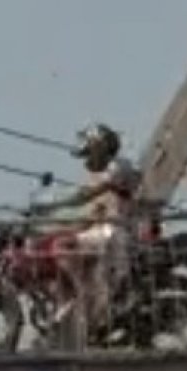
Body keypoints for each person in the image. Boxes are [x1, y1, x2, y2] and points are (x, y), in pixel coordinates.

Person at [31, 122, 141, 345]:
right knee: (57, 240)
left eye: (90, 151)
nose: (87, 159)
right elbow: (90, 217)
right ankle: (75, 302)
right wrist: (55, 226)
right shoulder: (104, 174)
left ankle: (84, 293)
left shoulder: (117, 168)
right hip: (103, 231)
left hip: (114, 234)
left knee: (62, 246)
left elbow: (86, 195)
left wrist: (54, 204)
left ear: (100, 147)